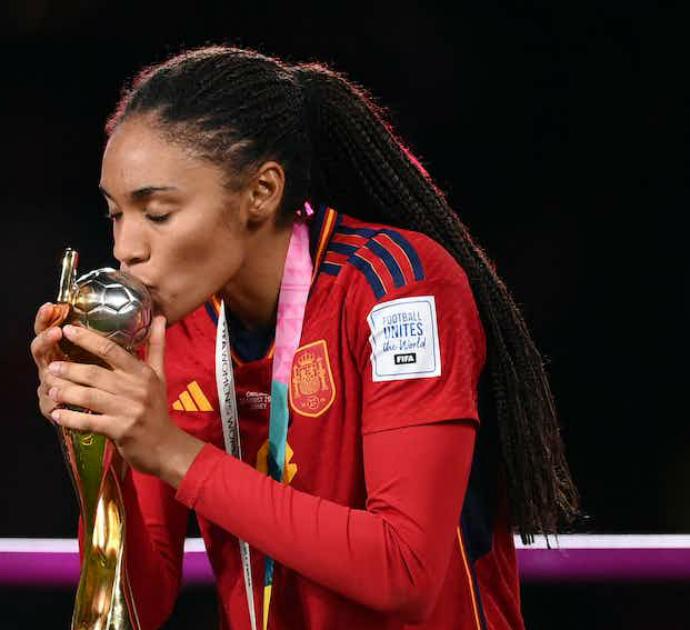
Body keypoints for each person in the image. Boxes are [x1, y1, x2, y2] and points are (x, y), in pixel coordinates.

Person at [30, 46, 579, 630]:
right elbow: (138, 606)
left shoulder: (397, 288)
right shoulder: (175, 328)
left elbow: (404, 571)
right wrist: (96, 444)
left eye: (158, 213)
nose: (125, 249)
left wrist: (172, 452)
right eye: (115, 213)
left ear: (261, 192)